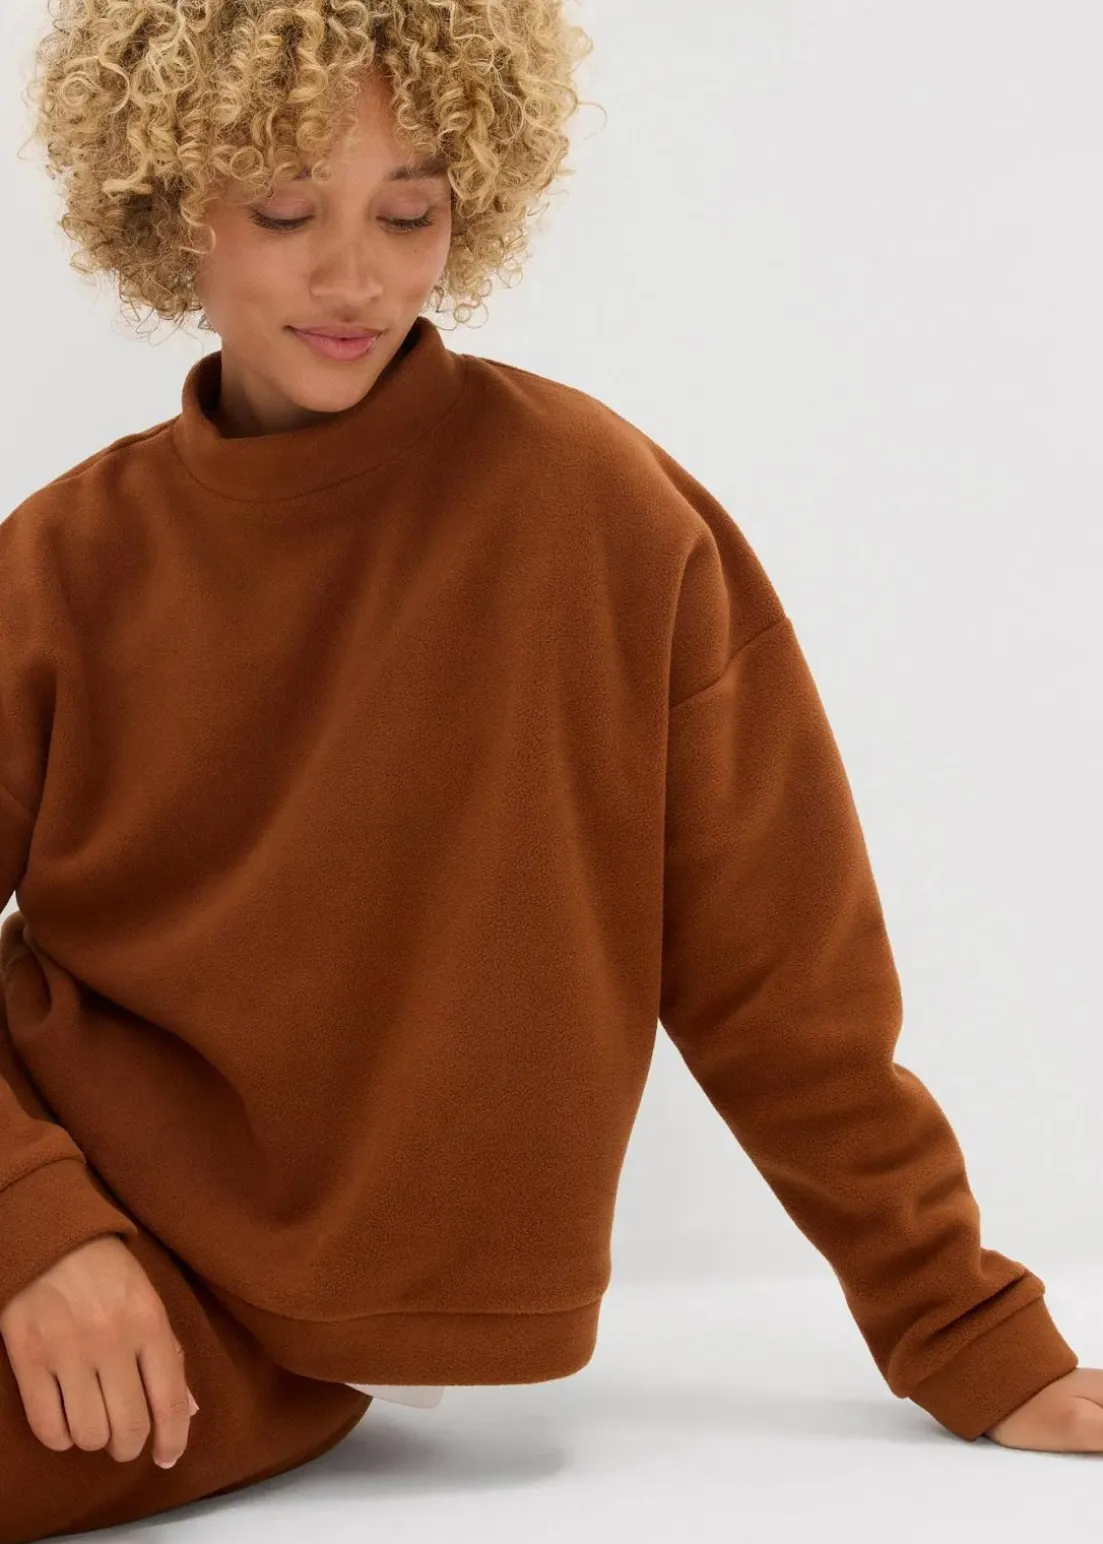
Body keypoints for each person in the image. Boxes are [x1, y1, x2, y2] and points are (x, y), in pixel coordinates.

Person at [2, 3, 1100, 1541]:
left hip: (245, 1307)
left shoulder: (595, 518)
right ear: (171, 204)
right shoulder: (63, 559)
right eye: (285, 211)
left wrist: (963, 1326)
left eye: (409, 213)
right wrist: (35, 1224)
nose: (353, 276)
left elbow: (780, 985)